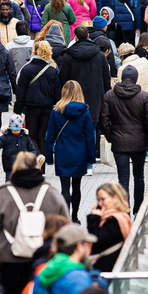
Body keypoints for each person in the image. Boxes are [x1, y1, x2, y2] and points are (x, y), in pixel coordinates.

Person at [0, 151, 67, 294]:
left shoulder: (3, 195)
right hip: (45, 261)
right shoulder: (52, 194)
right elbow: (65, 227)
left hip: (10, 260)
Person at [100, 66, 148, 213]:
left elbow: (104, 120)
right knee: (139, 175)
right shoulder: (143, 97)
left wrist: (111, 137)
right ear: (136, 78)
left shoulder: (110, 95)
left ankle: (125, 210)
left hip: (119, 142)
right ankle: (138, 208)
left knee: (123, 178)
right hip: (139, 141)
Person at [46, 81, 96, 219]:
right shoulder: (84, 110)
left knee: (65, 188)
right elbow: (89, 136)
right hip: (80, 153)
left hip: (62, 153)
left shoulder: (56, 111)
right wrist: (91, 158)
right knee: (77, 187)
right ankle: (75, 216)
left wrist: (49, 156)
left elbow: (50, 136)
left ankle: (65, 217)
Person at [14, 41, 62, 160]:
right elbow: (57, 93)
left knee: (32, 135)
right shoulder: (52, 70)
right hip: (47, 108)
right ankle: (42, 166)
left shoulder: (27, 69)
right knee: (42, 136)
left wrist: (17, 111)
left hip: (32, 107)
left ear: (34, 51)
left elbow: (21, 92)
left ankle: (38, 156)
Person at [84, 182, 131, 273]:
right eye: (98, 200)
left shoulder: (114, 220)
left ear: (115, 198)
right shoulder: (120, 216)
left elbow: (96, 238)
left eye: (103, 199)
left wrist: (94, 218)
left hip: (107, 269)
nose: (100, 204)